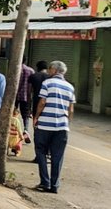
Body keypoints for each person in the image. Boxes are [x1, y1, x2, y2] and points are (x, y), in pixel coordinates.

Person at [33, 60, 75, 194]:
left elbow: (42, 102)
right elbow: (71, 109)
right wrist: (67, 122)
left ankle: (45, 182)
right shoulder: (70, 87)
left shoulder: (47, 83)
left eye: (50, 69)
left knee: (41, 152)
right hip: (62, 127)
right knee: (57, 157)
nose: (49, 71)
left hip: (45, 125)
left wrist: (36, 117)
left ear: (55, 70)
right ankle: (54, 185)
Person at [16, 57, 35, 142]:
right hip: (26, 96)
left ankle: (14, 130)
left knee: (13, 114)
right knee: (26, 115)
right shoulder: (31, 71)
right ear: (25, 61)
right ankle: (26, 130)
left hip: (15, 96)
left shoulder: (15, 69)